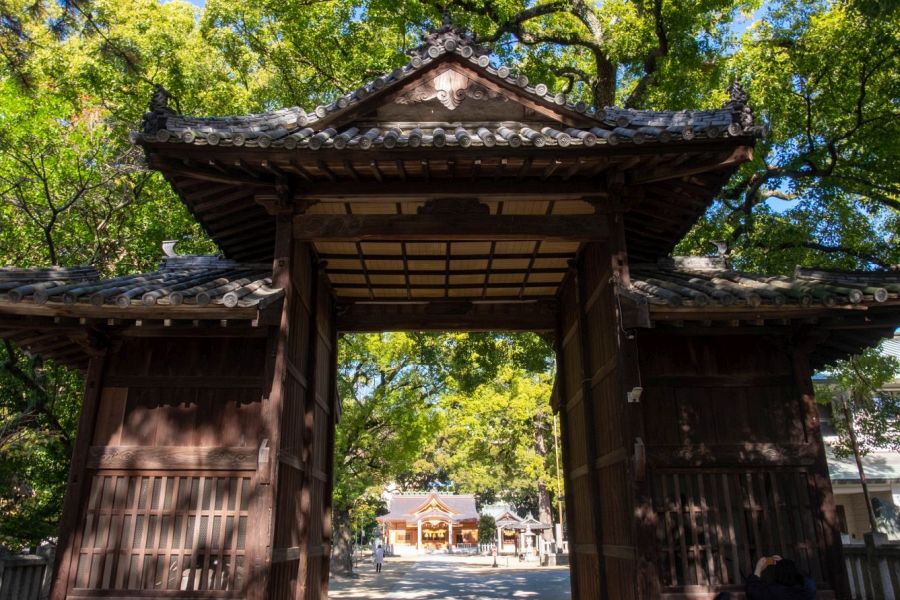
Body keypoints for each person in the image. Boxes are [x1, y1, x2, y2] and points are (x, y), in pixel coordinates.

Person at [744, 555, 816, 600]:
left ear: (777, 574)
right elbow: (809, 581)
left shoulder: (775, 592)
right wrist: (785, 565)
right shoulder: (805, 592)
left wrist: (758, 568)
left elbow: (753, 592)